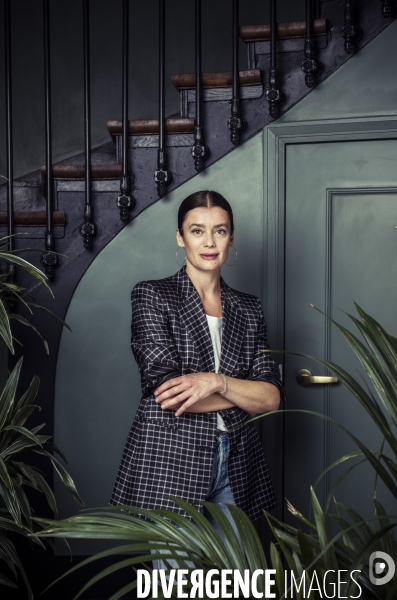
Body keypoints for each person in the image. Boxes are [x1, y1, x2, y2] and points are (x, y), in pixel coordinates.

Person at [110, 190, 283, 528]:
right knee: (175, 580)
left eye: (219, 230)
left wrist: (215, 382)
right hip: (171, 458)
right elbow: (168, 394)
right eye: (197, 230)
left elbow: (272, 398)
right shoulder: (153, 295)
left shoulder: (250, 309)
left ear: (231, 238)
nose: (209, 242)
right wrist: (244, 395)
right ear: (180, 237)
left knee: (235, 574)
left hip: (238, 460)